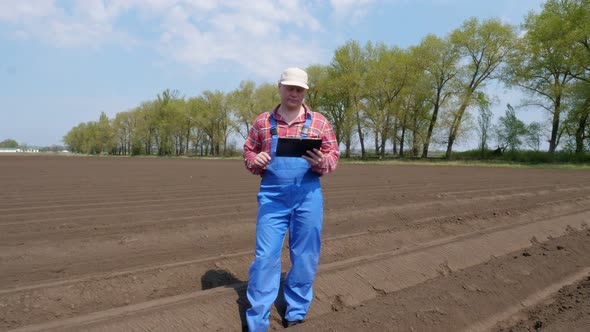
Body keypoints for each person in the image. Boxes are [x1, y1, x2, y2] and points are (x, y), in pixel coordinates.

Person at [243, 67, 340, 331]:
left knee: (306, 255)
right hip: (273, 198)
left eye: (299, 89)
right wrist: (256, 160)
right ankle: (258, 319)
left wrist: (321, 162)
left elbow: (333, 158)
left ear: (305, 92)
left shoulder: (319, 122)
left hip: (307, 195)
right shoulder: (263, 122)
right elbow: (249, 153)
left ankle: (296, 311)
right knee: (265, 257)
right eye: (290, 88)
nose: (294, 93)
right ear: (280, 88)